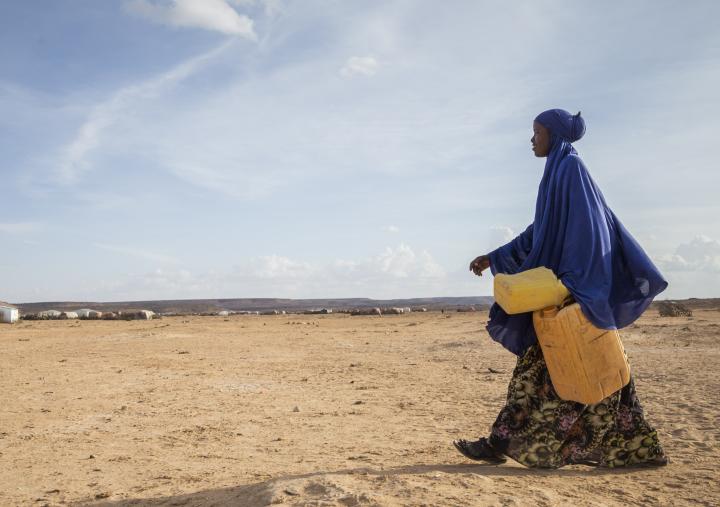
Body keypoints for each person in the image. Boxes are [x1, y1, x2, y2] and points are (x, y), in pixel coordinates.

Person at [453, 109, 668, 468]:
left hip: (577, 294)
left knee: (600, 374)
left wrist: (576, 283)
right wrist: (494, 257)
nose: (532, 140)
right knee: (586, 374)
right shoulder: (558, 174)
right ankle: (501, 443)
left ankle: (500, 443)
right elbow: (542, 230)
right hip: (569, 293)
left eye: (537, 133)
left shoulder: (571, 169)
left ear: (554, 135)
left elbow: (590, 231)